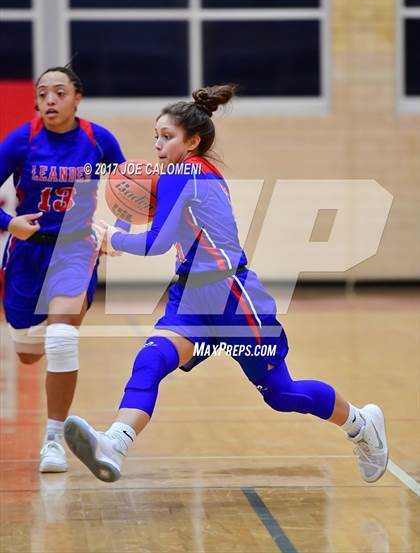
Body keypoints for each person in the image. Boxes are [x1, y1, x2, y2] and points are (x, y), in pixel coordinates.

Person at [64, 85, 388, 484]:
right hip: (192, 298)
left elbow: (157, 243)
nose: (158, 146)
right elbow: (173, 235)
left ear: (193, 141)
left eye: (167, 137)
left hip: (232, 296)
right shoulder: (190, 175)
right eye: (155, 137)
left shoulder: (185, 173)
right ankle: (115, 441)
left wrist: (111, 239)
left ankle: (361, 424)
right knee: (152, 359)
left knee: (281, 394)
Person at [0, 65, 126, 473]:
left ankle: (52, 441)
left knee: (60, 338)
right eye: (42, 94)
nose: (49, 100)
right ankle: (29, 338)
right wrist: (9, 224)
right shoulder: (22, 140)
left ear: (77, 98)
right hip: (28, 254)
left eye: (59, 92)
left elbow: (132, 193)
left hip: (75, 249)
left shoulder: (98, 139)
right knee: (29, 353)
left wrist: (116, 232)